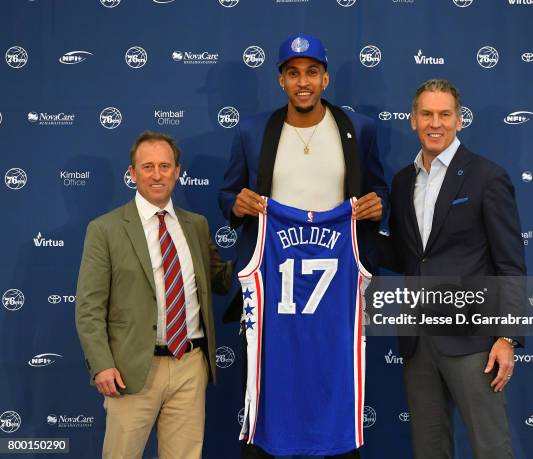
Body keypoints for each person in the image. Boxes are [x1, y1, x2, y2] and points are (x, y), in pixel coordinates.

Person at [218, 34, 388, 458]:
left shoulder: (358, 129)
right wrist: (236, 205)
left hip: (337, 289)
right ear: (281, 81)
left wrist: (375, 206)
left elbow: (378, 191)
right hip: (273, 285)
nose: (303, 82)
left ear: (325, 78)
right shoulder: (253, 131)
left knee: (334, 385)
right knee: (271, 385)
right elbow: (227, 194)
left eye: (312, 71)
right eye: (293, 73)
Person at [381, 79, 526, 459]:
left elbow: (510, 263)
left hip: (473, 342)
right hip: (418, 341)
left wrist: (507, 337)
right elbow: (405, 257)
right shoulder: (401, 181)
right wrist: (350, 230)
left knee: (492, 449)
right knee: (429, 450)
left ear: (459, 121)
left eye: (445, 114)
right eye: (426, 114)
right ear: (412, 120)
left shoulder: (486, 177)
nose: (435, 123)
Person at [75, 131, 232, 459]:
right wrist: (101, 365)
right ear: (132, 173)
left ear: (177, 171)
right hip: (131, 370)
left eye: (165, 166)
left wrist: (260, 242)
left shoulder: (197, 225)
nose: (157, 174)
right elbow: (89, 306)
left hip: (190, 364)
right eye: (148, 167)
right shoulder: (105, 229)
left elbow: (222, 280)